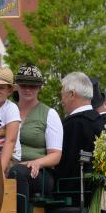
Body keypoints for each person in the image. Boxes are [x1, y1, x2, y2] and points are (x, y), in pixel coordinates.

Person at [52, 72, 103, 199]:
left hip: (70, 197)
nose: (62, 100)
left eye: (62, 95)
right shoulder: (104, 124)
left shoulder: (69, 125)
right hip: (100, 195)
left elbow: (63, 166)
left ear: (72, 94)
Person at [14, 64, 62, 197]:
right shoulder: (8, 110)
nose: (28, 89)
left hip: (39, 173)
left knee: (17, 172)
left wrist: (36, 163)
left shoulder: (50, 114)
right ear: (17, 86)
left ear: (40, 88)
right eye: (23, 85)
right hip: (9, 165)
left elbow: (55, 155)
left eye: (33, 86)